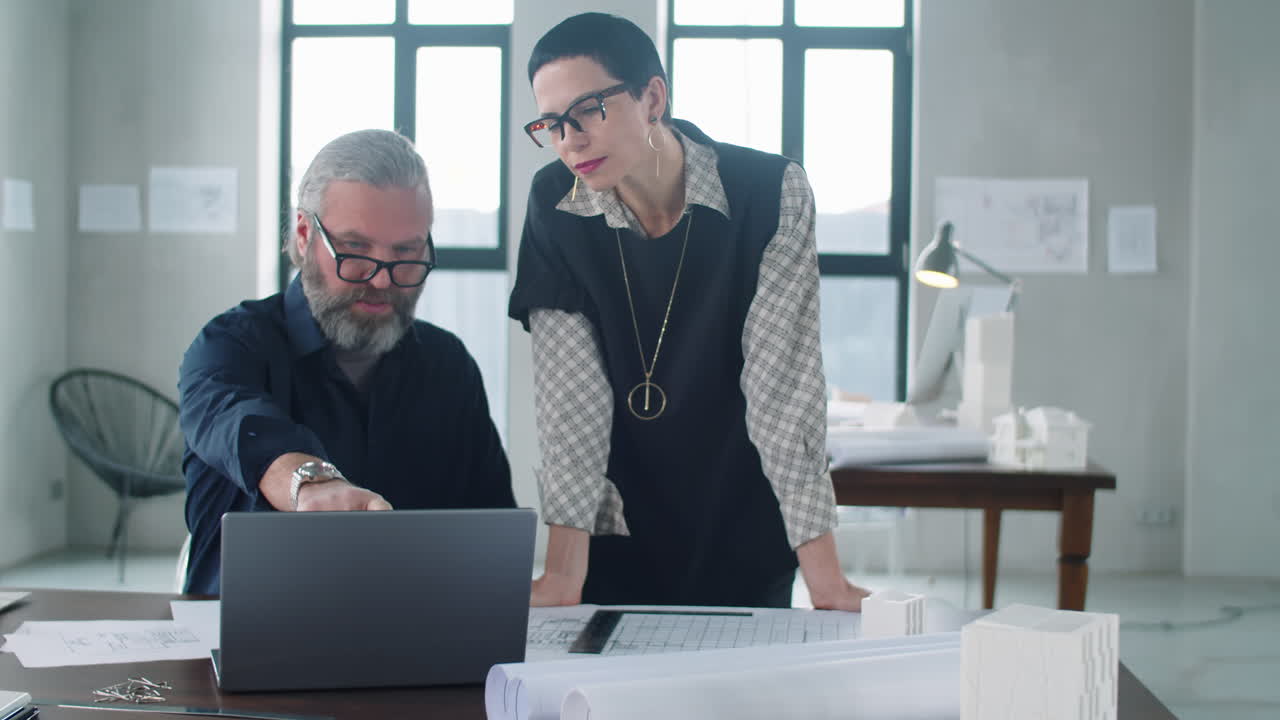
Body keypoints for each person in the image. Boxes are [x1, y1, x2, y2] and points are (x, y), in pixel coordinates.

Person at [509, 13, 870, 610]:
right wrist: (562, 575)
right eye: (552, 123)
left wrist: (826, 579)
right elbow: (571, 401)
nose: (569, 138)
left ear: (653, 97)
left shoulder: (770, 191)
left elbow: (782, 391)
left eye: (589, 109)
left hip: (742, 526)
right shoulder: (556, 206)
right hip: (618, 539)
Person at [179, 129, 514, 595]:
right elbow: (237, 424)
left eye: (406, 253)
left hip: (421, 648)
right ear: (303, 236)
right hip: (248, 649)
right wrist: (307, 482)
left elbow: (494, 534)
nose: (381, 281)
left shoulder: (448, 367)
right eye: (355, 252)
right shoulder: (230, 346)